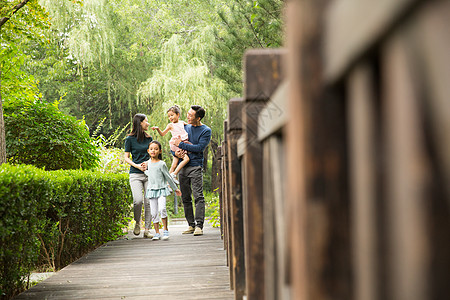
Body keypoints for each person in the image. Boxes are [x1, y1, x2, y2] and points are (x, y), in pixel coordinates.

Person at [173, 105, 211, 236]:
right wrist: (176, 152)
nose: (187, 117)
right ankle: (191, 225)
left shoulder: (206, 130)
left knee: (198, 196)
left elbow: (199, 147)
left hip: (195, 166)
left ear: (198, 118)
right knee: (185, 197)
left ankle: (199, 226)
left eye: (191, 115)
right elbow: (175, 143)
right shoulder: (185, 127)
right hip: (182, 165)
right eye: (188, 114)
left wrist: (181, 144)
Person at [144, 140, 182, 240]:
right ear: (148, 151)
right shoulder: (147, 163)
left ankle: (165, 230)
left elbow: (168, 177)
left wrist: (175, 189)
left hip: (161, 189)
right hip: (152, 191)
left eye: (156, 149)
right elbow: (149, 173)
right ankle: (157, 233)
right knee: (154, 213)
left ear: (160, 151)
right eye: (151, 149)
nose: (153, 151)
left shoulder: (162, 164)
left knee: (162, 209)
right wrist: (145, 171)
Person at [124, 113, 153, 238]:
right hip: (135, 174)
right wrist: (136, 165)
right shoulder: (129, 139)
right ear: (140, 123)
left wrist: (147, 163)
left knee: (148, 201)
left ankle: (147, 229)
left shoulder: (149, 139)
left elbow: (153, 155)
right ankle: (137, 223)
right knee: (138, 201)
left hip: (148, 173)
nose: (148, 123)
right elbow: (126, 157)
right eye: (146, 121)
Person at [151, 105, 190, 184]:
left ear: (178, 115)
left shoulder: (182, 123)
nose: (170, 118)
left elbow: (191, 126)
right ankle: (174, 174)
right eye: (169, 116)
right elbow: (162, 134)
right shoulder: (170, 125)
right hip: (176, 144)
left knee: (174, 165)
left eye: (172, 115)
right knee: (186, 159)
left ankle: (167, 184)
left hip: (182, 143)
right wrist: (158, 129)